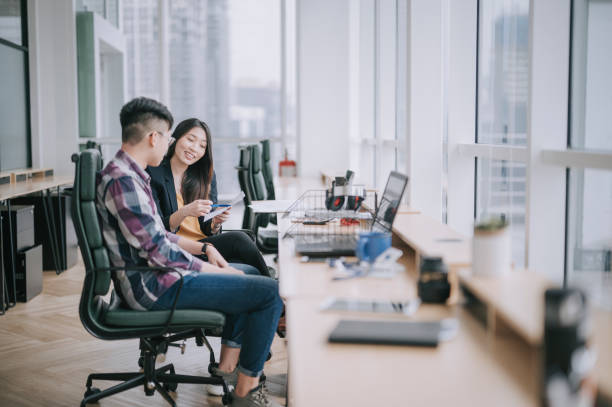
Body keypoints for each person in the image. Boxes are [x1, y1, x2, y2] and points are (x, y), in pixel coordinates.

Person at [96, 97, 283, 407]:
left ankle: (229, 372)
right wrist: (217, 271)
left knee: (250, 275)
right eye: (170, 136)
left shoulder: (131, 174)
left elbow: (160, 235)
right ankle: (245, 395)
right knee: (269, 292)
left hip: (158, 276)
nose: (170, 143)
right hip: (153, 287)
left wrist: (205, 248)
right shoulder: (124, 181)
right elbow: (159, 251)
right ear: (154, 138)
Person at [146, 118, 269, 276]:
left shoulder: (205, 176)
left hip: (206, 246)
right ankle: (275, 286)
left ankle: (271, 287)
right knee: (240, 240)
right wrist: (185, 212)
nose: (194, 148)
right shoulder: (154, 173)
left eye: (202, 146)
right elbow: (158, 229)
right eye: (191, 140)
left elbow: (207, 227)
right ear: (175, 138)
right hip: (180, 248)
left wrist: (215, 223)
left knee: (244, 253)